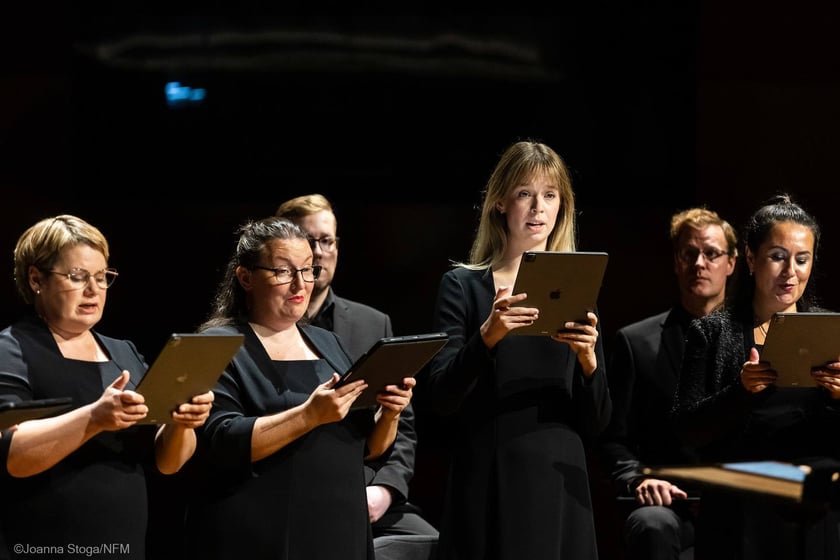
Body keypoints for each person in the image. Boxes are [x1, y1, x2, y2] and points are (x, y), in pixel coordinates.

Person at [416, 140, 613, 559]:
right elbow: (440, 398)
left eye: (550, 195)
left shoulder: (577, 289)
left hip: (560, 479)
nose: (538, 208)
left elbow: (598, 423)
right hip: (490, 473)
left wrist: (589, 363)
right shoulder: (464, 286)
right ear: (500, 203)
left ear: (562, 206)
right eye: (525, 193)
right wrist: (487, 335)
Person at [183, 217, 415, 560]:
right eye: (283, 271)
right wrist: (309, 416)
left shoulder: (328, 342)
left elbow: (368, 448)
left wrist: (391, 413)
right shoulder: (217, 344)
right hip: (258, 534)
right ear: (246, 277)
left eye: (307, 270)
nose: (300, 284)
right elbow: (222, 441)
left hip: (339, 531)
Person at [0, 214, 214, 559]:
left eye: (101, 277)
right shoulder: (11, 350)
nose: (93, 290)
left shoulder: (123, 353)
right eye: (77, 276)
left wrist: (182, 423)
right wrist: (94, 418)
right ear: (36, 278)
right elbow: (12, 455)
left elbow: (167, 463)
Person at [672, 194, 840, 559]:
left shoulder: (830, 331)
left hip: (811, 513)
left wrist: (837, 398)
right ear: (750, 258)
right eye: (777, 256)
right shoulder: (712, 332)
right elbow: (687, 430)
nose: (790, 271)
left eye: (802, 259)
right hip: (739, 514)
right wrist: (741, 392)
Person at [275, 193, 438, 541]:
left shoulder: (373, 323)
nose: (319, 252)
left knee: (431, 544)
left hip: (364, 484)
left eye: (327, 241)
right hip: (297, 488)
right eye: (307, 241)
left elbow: (403, 426)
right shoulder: (269, 326)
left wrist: (386, 489)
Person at [598, 207, 738, 560]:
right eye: (689, 254)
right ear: (676, 262)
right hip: (669, 503)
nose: (699, 263)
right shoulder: (636, 342)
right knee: (651, 524)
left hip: (738, 504)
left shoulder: (756, 340)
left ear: (732, 263)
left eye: (711, 253)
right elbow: (614, 439)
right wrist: (638, 479)